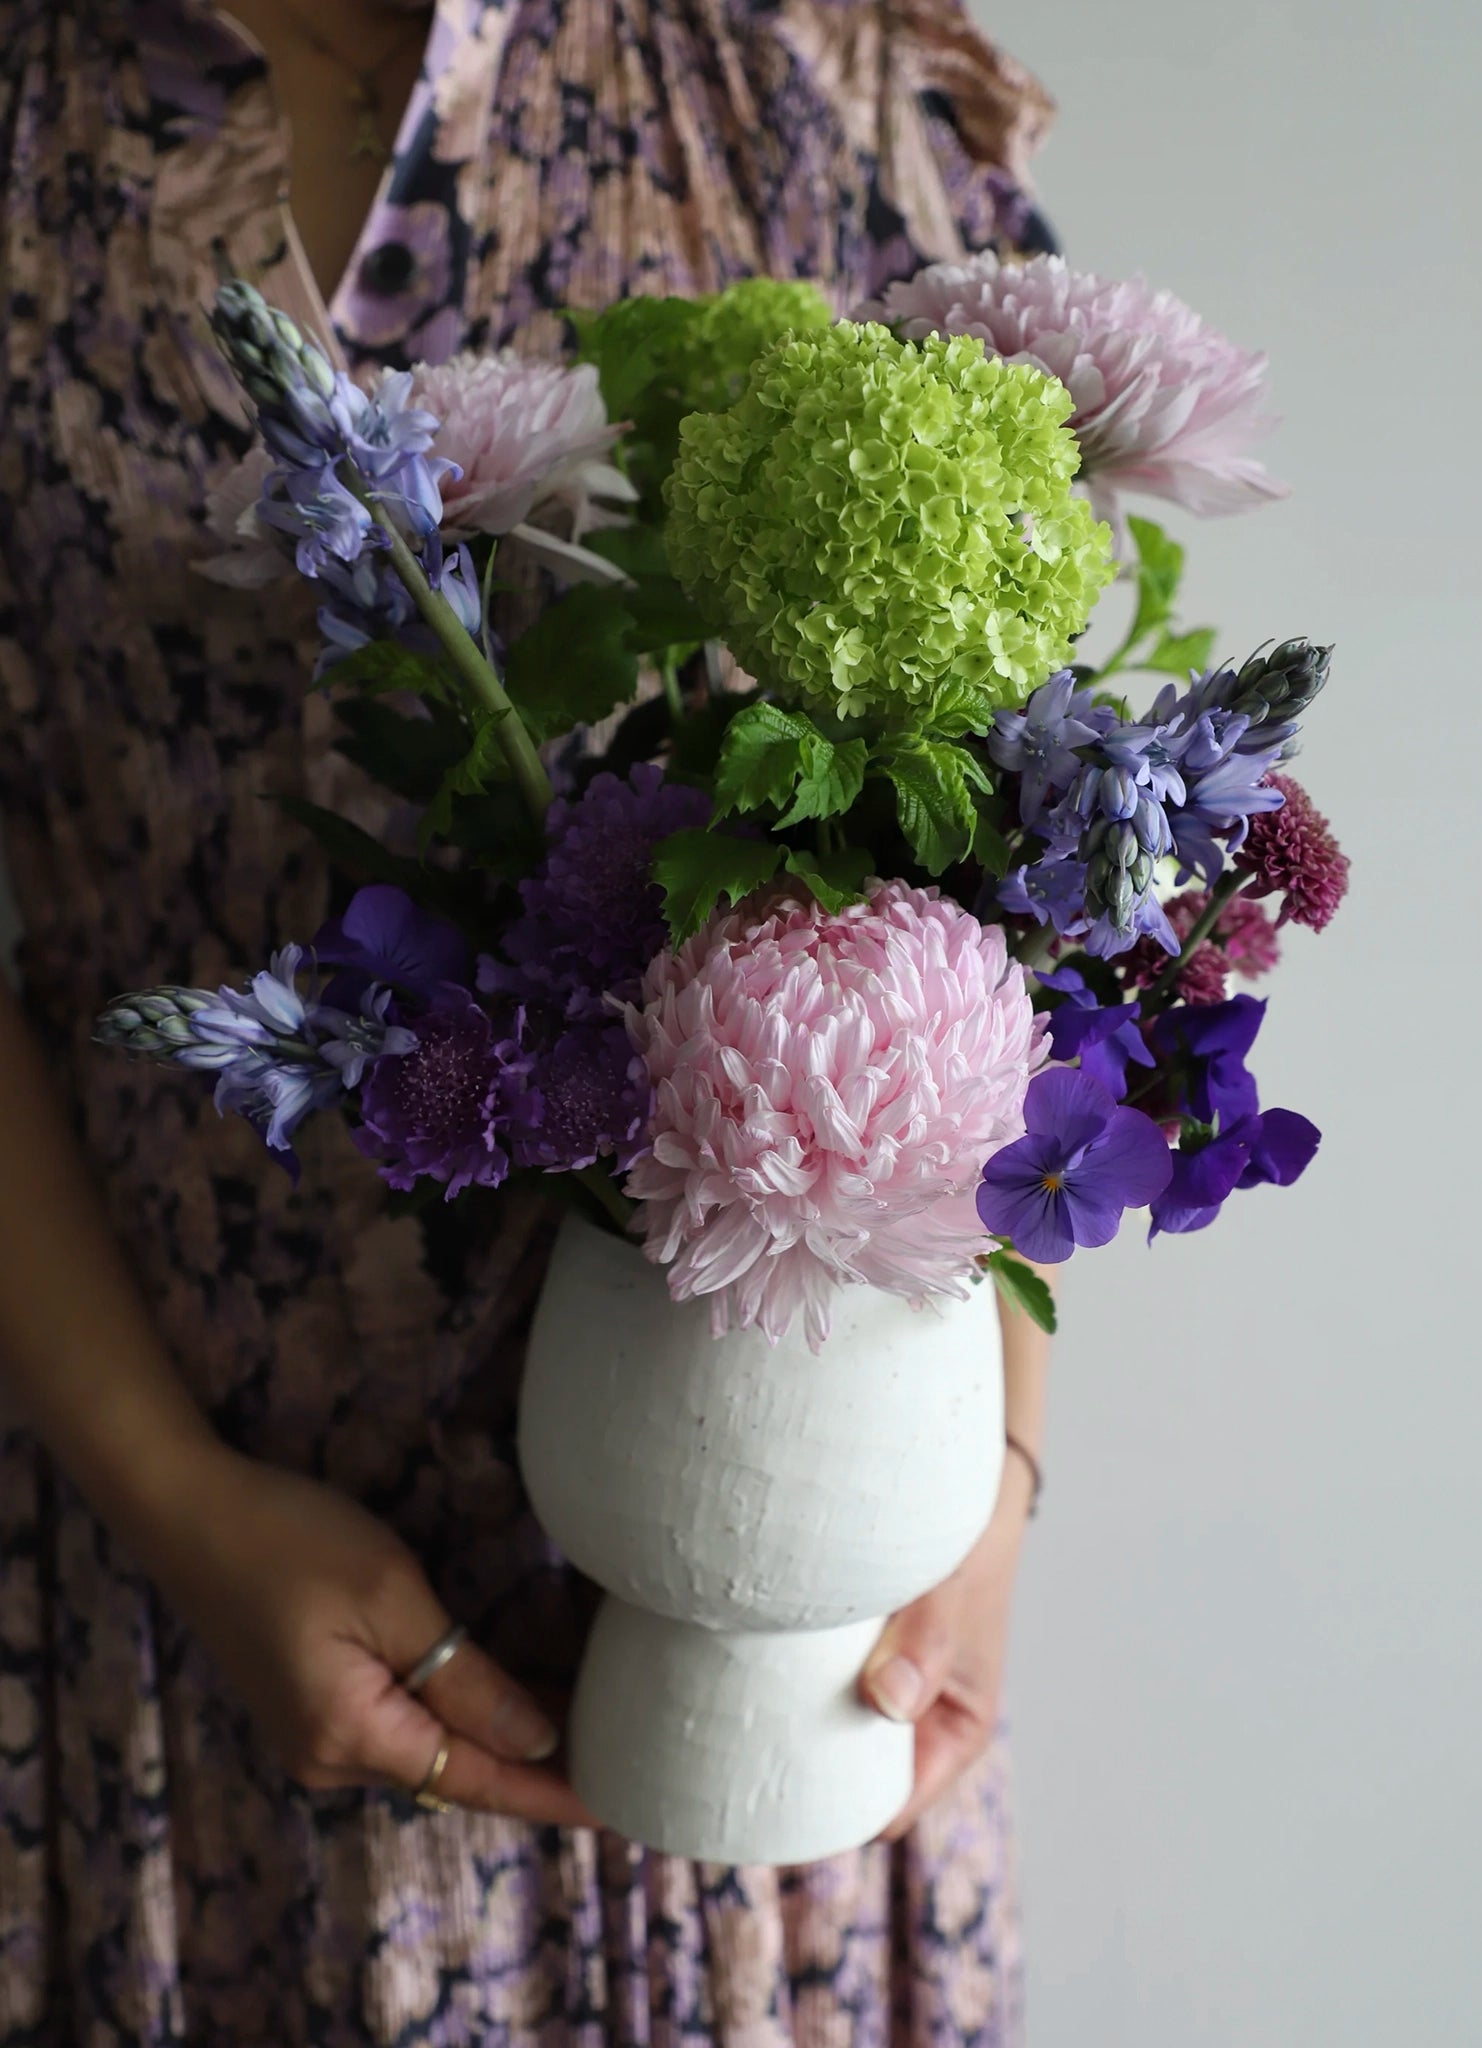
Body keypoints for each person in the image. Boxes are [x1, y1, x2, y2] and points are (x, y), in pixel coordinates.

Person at [0, 2, 1059, 2039]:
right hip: (183, 1613)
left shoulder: (804, 70)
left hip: (798, 1640)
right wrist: (180, 1504)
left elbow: (1014, 834)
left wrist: (981, 1489)